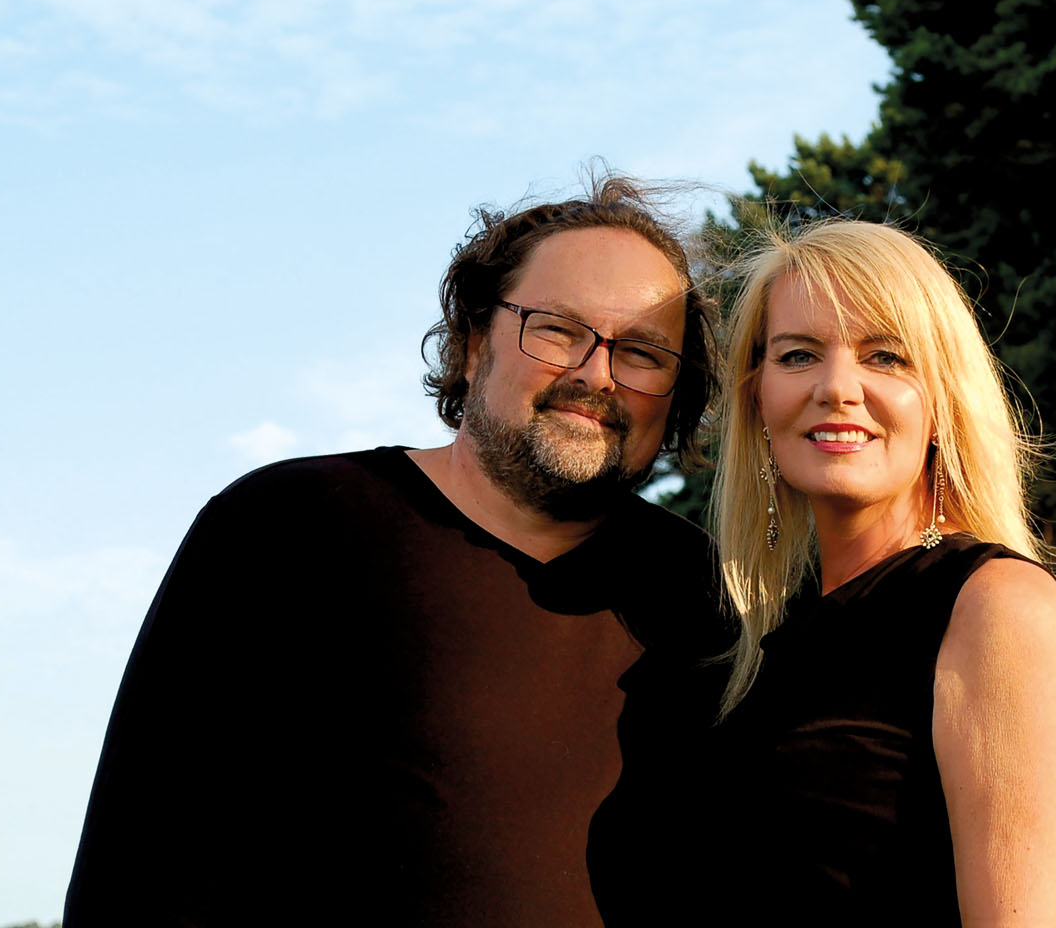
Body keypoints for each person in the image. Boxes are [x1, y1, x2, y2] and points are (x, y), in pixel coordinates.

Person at [62, 175, 728, 927]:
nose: (594, 373)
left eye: (642, 352)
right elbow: (136, 867)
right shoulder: (289, 528)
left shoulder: (711, 601)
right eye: (556, 329)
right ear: (474, 344)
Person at [698, 220, 1056, 924]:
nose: (837, 388)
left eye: (885, 356)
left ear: (943, 402)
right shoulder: (760, 639)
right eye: (798, 355)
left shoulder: (992, 604)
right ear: (758, 397)